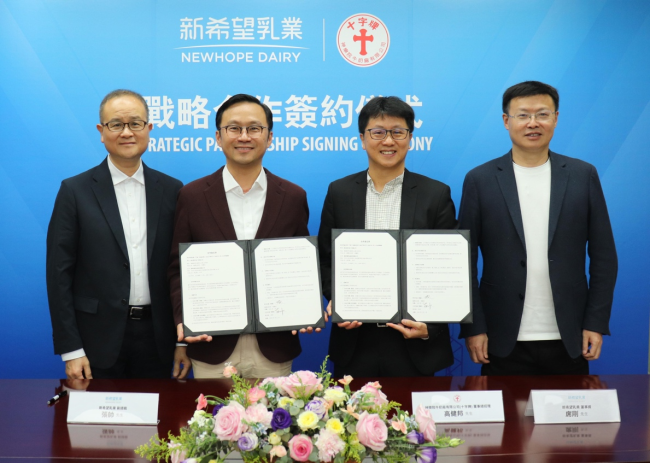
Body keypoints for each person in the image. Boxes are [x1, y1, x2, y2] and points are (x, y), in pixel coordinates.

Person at [458, 81, 618, 375]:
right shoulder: (480, 180)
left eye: (542, 114)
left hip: (569, 334)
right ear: (506, 121)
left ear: (556, 118)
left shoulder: (583, 175)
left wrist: (595, 322)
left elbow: (604, 256)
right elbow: (463, 261)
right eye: (523, 115)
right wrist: (474, 326)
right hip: (501, 335)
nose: (533, 123)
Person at [168, 94, 312, 379]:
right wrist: (184, 328)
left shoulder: (293, 197)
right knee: (211, 411)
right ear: (218, 137)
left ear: (269, 137)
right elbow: (176, 269)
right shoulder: (192, 196)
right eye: (234, 128)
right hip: (211, 344)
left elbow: (302, 265)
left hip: (273, 347)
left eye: (254, 128)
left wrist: (304, 308)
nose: (244, 136)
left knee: (276, 410)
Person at [46, 89, 187, 379]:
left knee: (161, 410)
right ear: (101, 131)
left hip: (159, 340)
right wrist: (71, 349)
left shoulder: (173, 190)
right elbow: (59, 275)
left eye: (135, 123)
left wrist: (182, 341)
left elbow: (182, 270)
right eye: (116, 124)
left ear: (149, 129)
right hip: (95, 341)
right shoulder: (75, 191)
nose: (126, 132)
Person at [317, 96, 457, 377]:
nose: (389, 141)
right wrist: (341, 301)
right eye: (378, 132)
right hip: (355, 340)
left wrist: (430, 327)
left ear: (410, 137)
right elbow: (325, 259)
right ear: (362, 138)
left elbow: (449, 268)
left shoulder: (435, 195)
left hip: (414, 341)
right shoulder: (339, 192)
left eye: (398, 132)